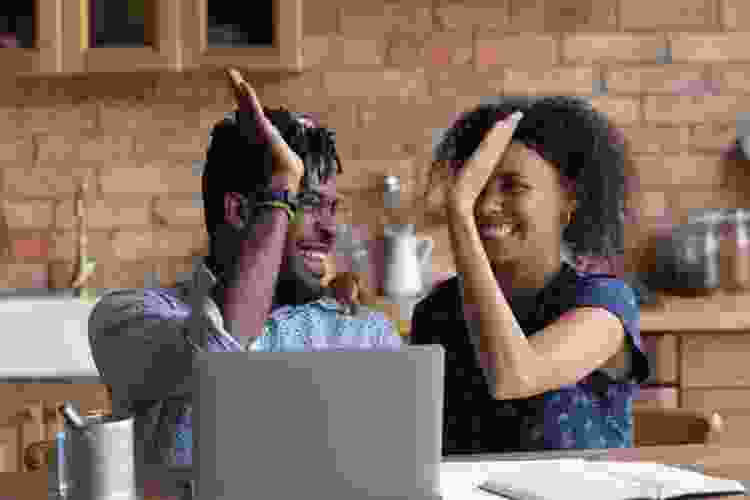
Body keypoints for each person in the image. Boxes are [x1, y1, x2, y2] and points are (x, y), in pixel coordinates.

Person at [88, 69, 402, 468]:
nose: (329, 229)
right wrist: (282, 182)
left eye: (331, 208)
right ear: (239, 211)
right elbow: (221, 354)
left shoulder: (361, 333)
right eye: (304, 203)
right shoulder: (132, 320)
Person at [410, 96, 650, 455]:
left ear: (569, 197)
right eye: (477, 186)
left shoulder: (605, 305)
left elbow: (515, 375)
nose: (486, 205)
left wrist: (459, 211)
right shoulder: (437, 311)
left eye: (513, 186)